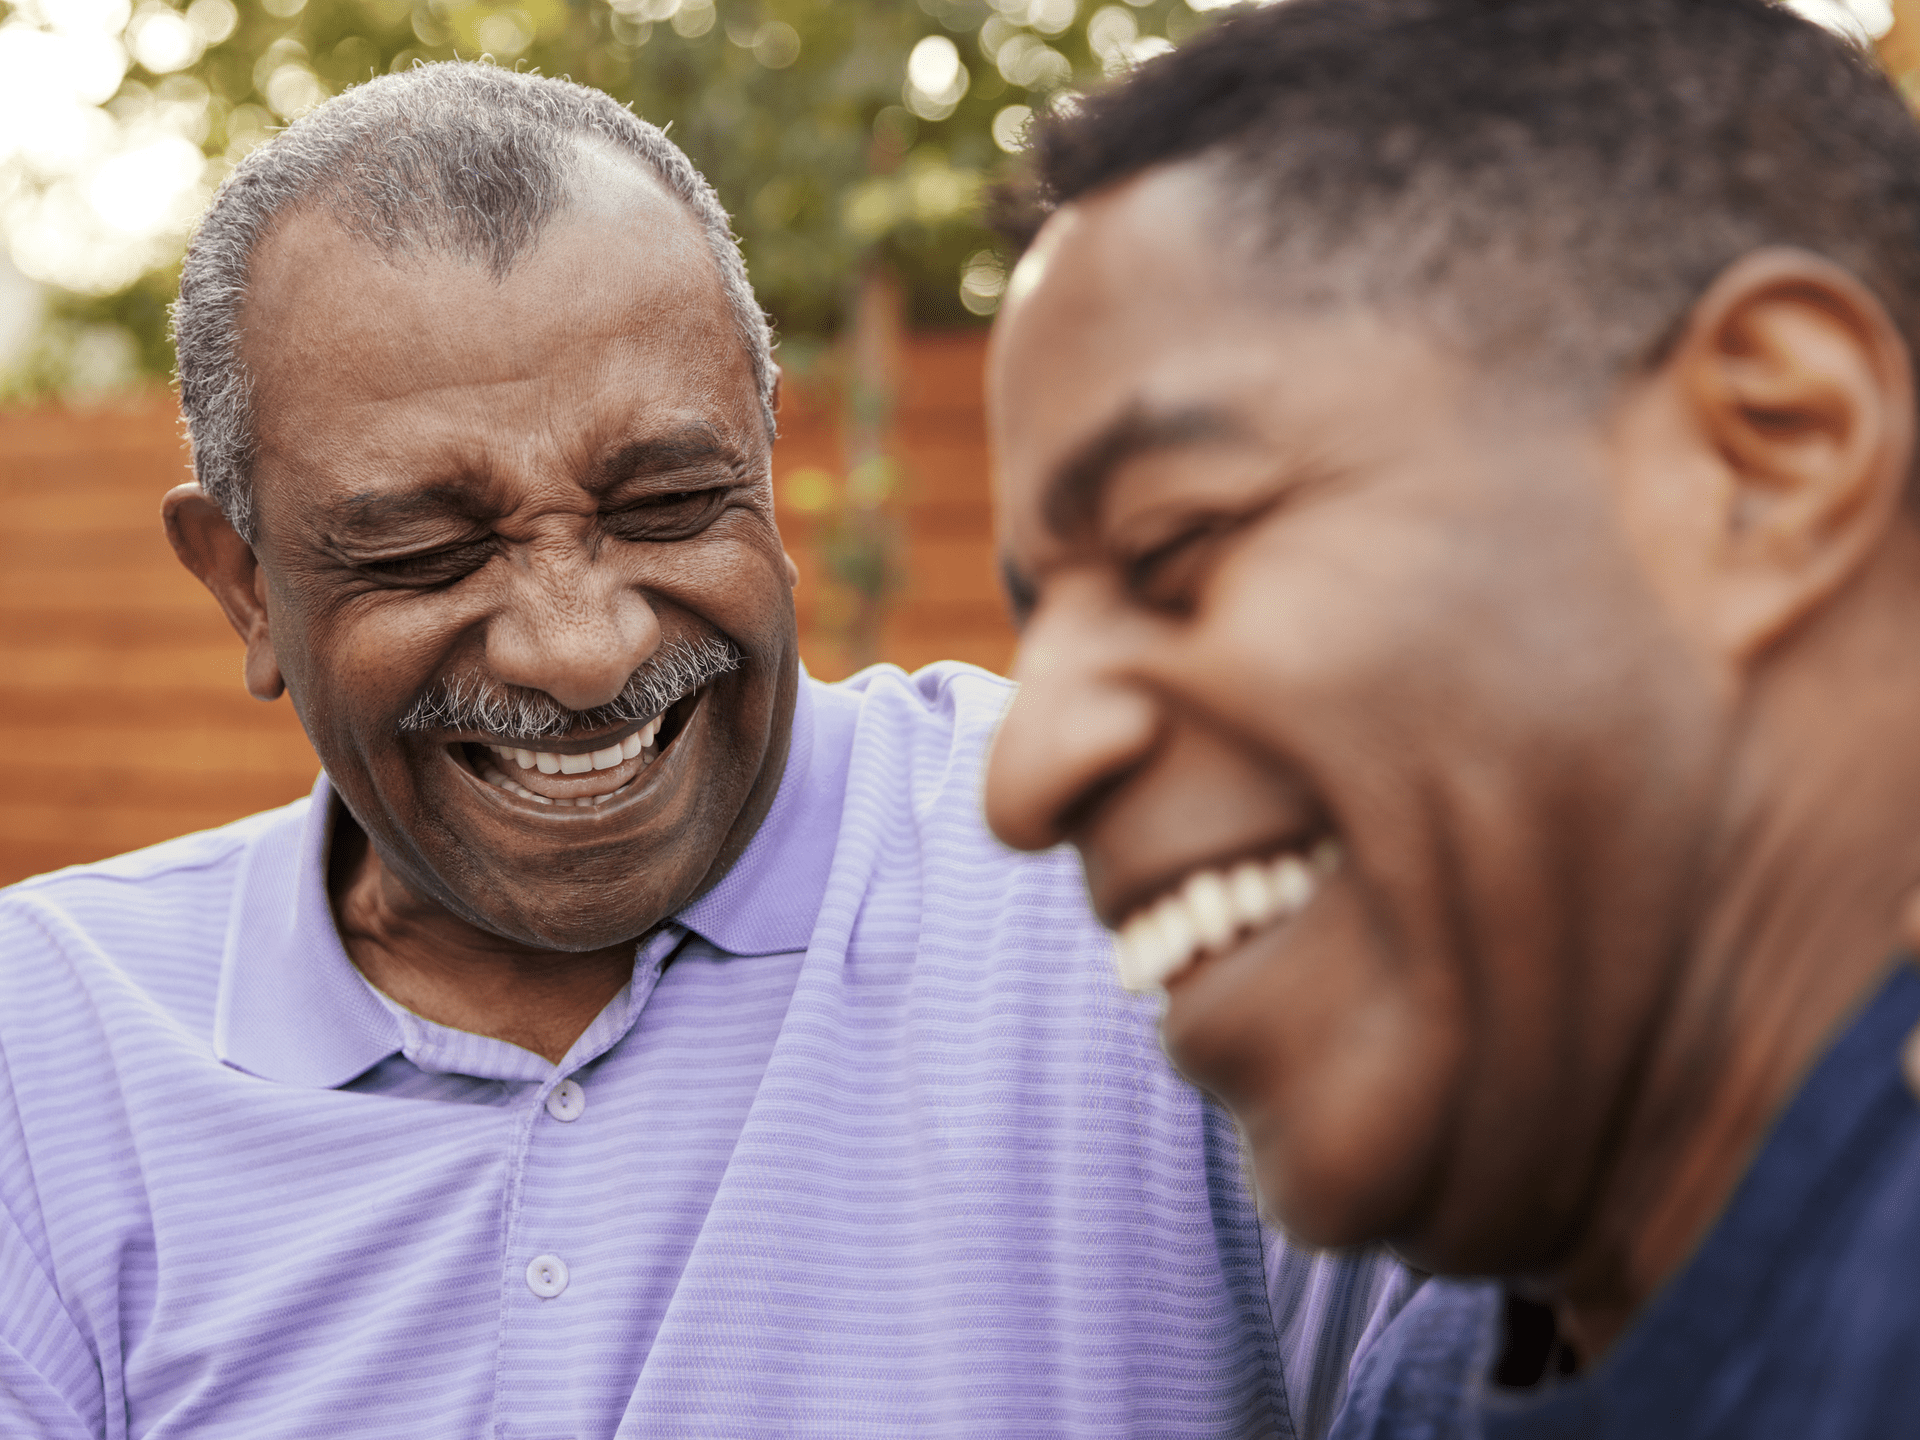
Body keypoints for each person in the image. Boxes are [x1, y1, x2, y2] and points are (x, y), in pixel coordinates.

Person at [0, 61, 1410, 1439]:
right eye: (427, 554)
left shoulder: (1149, 887)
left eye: (671, 505)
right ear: (242, 586)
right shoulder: (49, 1047)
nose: (582, 650)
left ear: (767, 459)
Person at [982, 0, 1920, 1434]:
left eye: (1174, 546)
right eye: (1036, 615)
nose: (1026, 771)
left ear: (1770, 450)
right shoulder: (1430, 1383)